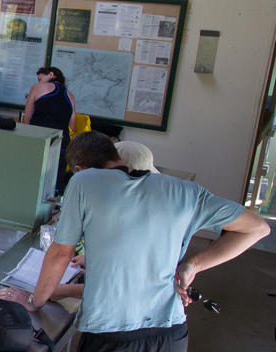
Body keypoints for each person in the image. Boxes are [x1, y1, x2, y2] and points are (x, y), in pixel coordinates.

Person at [26, 131, 270, 351]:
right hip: (172, 333)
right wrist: (193, 265)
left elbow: (60, 254)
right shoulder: (185, 191)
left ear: (80, 169)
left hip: (112, 335)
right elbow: (257, 228)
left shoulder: (84, 182)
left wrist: (35, 301)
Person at [23, 66, 76, 195]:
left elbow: (26, 120)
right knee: (54, 187)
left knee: (33, 183)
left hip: (39, 140)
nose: (39, 81)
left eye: (40, 78)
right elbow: (72, 127)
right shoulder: (70, 96)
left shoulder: (37, 88)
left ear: (51, 75)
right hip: (61, 143)